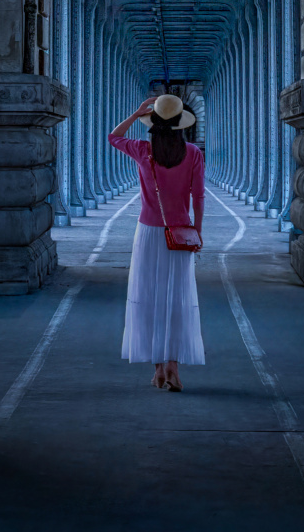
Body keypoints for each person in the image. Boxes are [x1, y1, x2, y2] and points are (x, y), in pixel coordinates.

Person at [108, 94, 205, 391]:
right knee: (175, 299)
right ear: (180, 124)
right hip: (180, 234)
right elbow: (198, 197)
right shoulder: (193, 153)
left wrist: (136, 114)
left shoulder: (142, 150)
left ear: (154, 122)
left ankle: (158, 370)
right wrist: (197, 232)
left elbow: (113, 137)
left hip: (149, 233)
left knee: (148, 298)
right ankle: (173, 366)